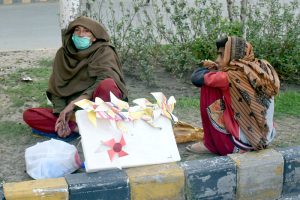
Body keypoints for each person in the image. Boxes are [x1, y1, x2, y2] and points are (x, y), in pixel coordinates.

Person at [23, 16, 128, 139]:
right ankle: (77, 128)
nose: (80, 34)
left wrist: (75, 103)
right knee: (29, 115)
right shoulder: (63, 54)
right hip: (73, 113)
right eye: (77, 30)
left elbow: (105, 80)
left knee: (108, 84)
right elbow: (57, 89)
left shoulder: (104, 51)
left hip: (96, 106)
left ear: (94, 37)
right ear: (72, 34)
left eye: (86, 31)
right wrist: (62, 114)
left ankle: (99, 125)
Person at [186, 36, 280, 156]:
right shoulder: (260, 68)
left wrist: (210, 67)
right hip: (264, 138)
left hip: (235, 146)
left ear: (233, 56)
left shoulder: (229, 77)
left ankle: (209, 144)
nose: (217, 60)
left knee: (208, 86)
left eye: (221, 55)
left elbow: (196, 79)